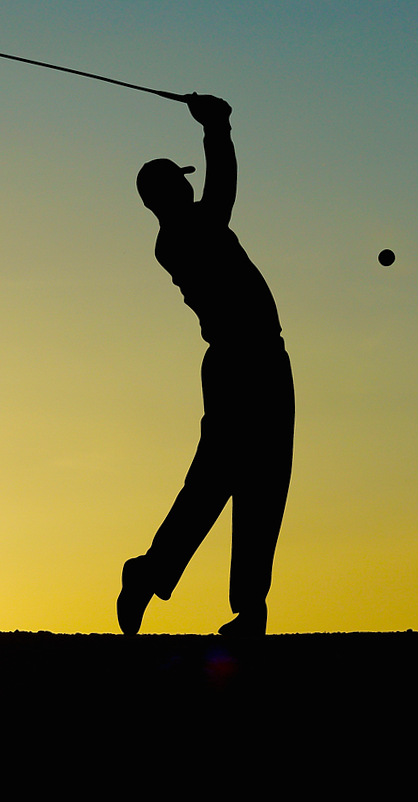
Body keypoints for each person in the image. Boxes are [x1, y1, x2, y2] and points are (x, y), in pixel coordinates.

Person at [117, 93, 294, 637]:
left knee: (264, 481)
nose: (190, 186)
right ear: (169, 192)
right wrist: (216, 128)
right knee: (219, 478)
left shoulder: (187, 229)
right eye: (180, 181)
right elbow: (224, 190)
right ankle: (152, 572)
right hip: (242, 364)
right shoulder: (185, 233)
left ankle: (247, 609)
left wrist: (219, 128)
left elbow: (217, 193)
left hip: (261, 358)